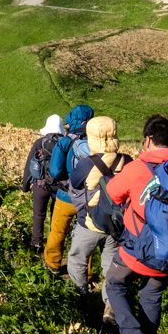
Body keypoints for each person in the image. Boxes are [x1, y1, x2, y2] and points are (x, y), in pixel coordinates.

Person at [104, 114, 168, 334]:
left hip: (138, 248)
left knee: (115, 283)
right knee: (152, 293)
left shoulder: (138, 168)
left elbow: (113, 193)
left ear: (148, 140)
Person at [66, 115, 131, 317]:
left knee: (78, 259)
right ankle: (111, 304)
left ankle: (81, 295)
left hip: (90, 222)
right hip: (116, 224)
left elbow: (75, 183)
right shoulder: (127, 161)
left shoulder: (87, 163)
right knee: (111, 264)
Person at [43, 104, 94, 275]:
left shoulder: (65, 142)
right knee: (88, 235)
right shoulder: (96, 141)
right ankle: (86, 273)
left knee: (58, 230)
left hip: (66, 194)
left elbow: (55, 171)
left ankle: (53, 264)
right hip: (89, 197)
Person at [21, 113, 64, 253]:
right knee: (55, 216)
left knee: (38, 215)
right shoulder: (66, 143)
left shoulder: (39, 142)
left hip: (40, 184)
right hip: (59, 185)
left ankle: (36, 243)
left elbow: (29, 164)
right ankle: (53, 244)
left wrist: (25, 185)